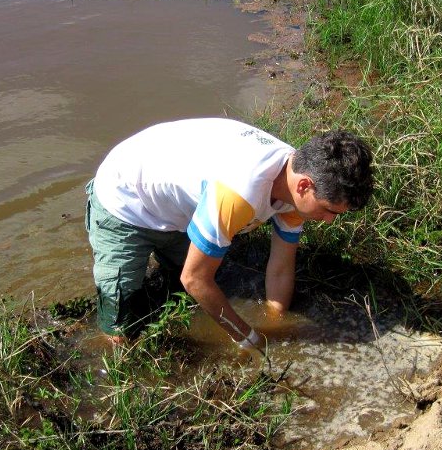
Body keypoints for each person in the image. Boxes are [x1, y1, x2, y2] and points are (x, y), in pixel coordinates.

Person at [85, 117, 373, 348]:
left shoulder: (296, 181)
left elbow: (281, 268)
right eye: (329, 211)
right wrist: (249, 339)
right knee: (120, 323)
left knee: (176, 290)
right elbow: (195, 279)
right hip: (124, 199)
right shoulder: (240, 193)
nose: (330, 221)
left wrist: (275, 323)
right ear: (304, 186)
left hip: (175, 205)